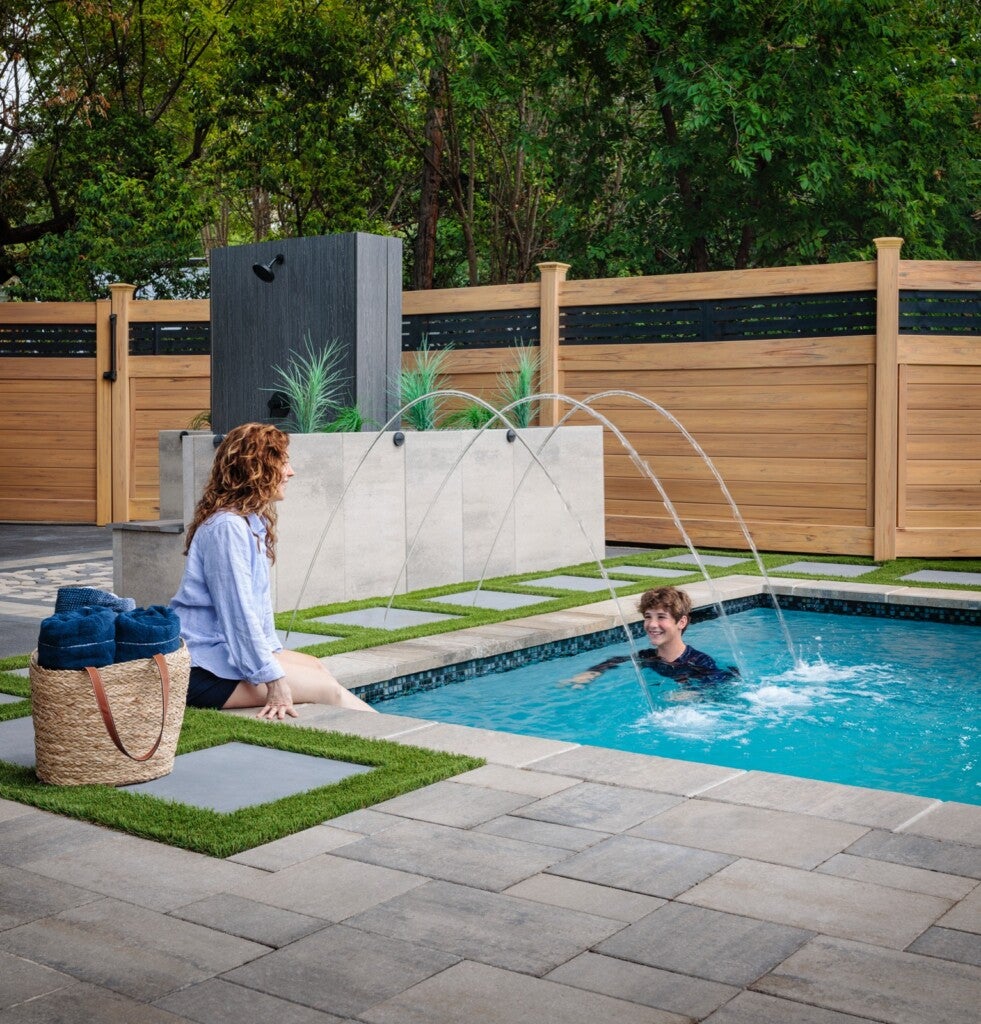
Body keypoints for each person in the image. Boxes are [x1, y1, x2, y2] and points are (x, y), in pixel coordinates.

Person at [170, 422, 376, 720]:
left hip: (223, 654)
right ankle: (412, 748)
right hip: (200, 670)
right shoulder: (227, 528)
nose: (290, 472)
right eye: (283, 463)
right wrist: (274, 681)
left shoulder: (250, 522)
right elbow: (238, 615)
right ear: (257, 469)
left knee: (317, 667)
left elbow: (256, 613)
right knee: (327, 692)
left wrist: (272, 657)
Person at [563, 585, 737, 691]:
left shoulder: (699, 661)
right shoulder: (648, 656)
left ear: (681, 622)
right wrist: (592, 672)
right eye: (648, 616)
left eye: (661, 617)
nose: (652, 624)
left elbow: (717, 683)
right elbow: (616, 660)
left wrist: (694, 692)